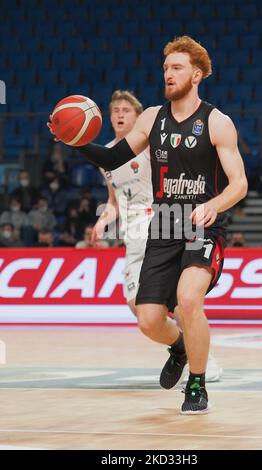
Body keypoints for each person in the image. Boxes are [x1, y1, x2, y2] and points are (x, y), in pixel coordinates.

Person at [49, 36, 248, 414]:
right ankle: (179, 348)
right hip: (163, 225)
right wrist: (71, 138)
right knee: (148, 319)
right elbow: (112, 157)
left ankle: (197, 384)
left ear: (197, 74)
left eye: (177, 68)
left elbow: (239, 184)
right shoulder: (152, 117)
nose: (168, 74)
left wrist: (213, 205)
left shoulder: (217, 122)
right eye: (165, 68)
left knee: (189, 300)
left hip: (200, 226)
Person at [93, 89, 222, 381]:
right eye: (115, 111)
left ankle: (204, 359)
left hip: (159, 226)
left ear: (138, 116)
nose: (120, 115)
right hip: (131, 236)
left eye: (126, 110)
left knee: (177, 303)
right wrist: (103, 220)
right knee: (138, 308)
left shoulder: (150, 146)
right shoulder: (108, 157)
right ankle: (181, 348)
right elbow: (114, 202)